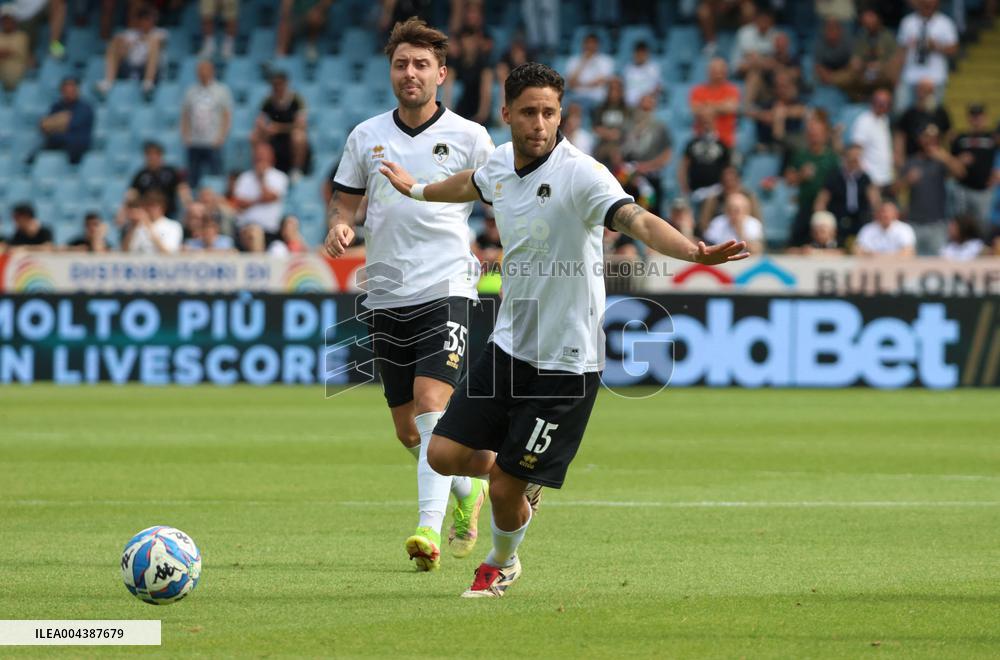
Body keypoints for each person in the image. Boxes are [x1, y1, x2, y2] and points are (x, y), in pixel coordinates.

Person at [378, 62, 747, 598]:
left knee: (504, 483)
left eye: (550, 112)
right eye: (528, 112)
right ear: (506, 114)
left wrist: (691, 249)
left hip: (568, 362)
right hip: (510, 345)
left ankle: (501, 562)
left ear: (561, 115)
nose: (540, 123)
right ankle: (522, 475)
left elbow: (635, 218)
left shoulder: (583, 174)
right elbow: (472, 184)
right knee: (441, 455)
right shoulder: (501, 163)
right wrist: (417, 190)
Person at [322, 18, 493, 572]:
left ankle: (426, 529)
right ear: (391, 72)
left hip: (447, 286)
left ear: (441, 74)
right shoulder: (365, 135)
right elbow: (346, 200)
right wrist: (341, 227)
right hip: (387, 293)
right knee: (408, 430)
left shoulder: (471, 137)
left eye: (422, 64)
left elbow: (504, 199)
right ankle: (468, 493)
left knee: (430, 403)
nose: (411, 73)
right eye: (402, 64)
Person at [902, 123, 966, 255]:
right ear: (920, 139)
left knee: (938, 262)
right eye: (927, 137)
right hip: (914, 222)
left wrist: (945, 156)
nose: (930, 141)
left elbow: (961, 173)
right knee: (912, 262)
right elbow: (894, 189)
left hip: (937, 223)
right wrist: (906, 180)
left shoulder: (941, 161)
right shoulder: (912, 161)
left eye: (934, 138)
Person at [786, 110, 840, 246]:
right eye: (811, 133)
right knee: (797, 240)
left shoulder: (832, 157)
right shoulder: (801, 155)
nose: (814, 136)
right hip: (805, 205)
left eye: (817, 133)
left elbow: (838, 181)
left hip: (828, 207)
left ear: (825, 135)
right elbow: (789, 180)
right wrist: (801, 176)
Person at [895, 0, 958, 113]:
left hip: (934, 76)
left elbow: (953, 49)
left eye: (930, 4)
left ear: (937, 4)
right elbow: (901, 50)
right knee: (902, 110)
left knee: (932, 112)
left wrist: (936, 47)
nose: (927, 6)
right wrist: (897, 75)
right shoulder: (907, 22)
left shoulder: (945, 23)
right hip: (911, 74)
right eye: (925, 3)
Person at [814, 143, 881, 243]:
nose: (855, 160)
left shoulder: (865, 178)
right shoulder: (835, 176)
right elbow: (822, 200)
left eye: (857, 157)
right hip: (837, 217)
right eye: (852, 158)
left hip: (860, 219)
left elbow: (875, 201)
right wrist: (821, 220)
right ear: (845, 158)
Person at [181, 60, 233, 188]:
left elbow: (226, 115)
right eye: (200, 70)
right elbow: (185, 114)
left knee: (216, 174)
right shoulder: (191, 91)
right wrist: (185, 135)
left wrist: (222, 136)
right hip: (195, 141)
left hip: (212, 141)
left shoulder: (221, 90)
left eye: (205, 69)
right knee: (193, 176)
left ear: (212, 71)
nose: (202, 73)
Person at [96, 7, 167, 96]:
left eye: (150, 19)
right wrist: (127, 45)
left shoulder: (160, 32)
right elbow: (119, 43)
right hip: (130, 67)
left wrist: (142, 39)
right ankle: (108, 81)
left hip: (150, 70)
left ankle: (148, 82)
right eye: (145, 19)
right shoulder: (131, 33)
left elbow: (161, 42)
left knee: (154, 43)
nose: (148, 22)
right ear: (139, 21)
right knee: (115, 43)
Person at [252, 71, 309, 179]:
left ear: (286, 84)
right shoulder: (268, 101)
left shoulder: (297, 100)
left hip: (289, 136)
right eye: (274, 85)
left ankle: (296, 169)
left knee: (299, 137)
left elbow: (301, 125)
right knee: (254, 136)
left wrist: (279, 128)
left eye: (279, 84)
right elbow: (259, 120)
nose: (277, 87)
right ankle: (259, 167)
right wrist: (264, 128)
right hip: (273, 137)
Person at [951, 104, 998, 230]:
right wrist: (959, 160)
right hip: (963, 189)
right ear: (969, 118)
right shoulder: (960, 139)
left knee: (982, 227)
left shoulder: (992, 138)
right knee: (962, 224)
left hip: (984, 190)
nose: (976, 119)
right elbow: (950, 164)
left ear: (985, 118)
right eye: (973, 116)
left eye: (979, 116)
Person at [233, 142, 289, 240]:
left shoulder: (280, 177)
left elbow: (270, 197)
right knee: (254, 232)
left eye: (263, 155)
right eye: (258, 155)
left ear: (271, 157)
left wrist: (261, 179)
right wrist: (259, 200)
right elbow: (238, 203)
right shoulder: (244, 177)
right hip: (245, 229)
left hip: (270, 231)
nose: (260, 158)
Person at [679, 107, 731, 208]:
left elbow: (727, 169)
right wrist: (684, 187)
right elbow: (683, 167)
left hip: (716, 191)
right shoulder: (692, 144)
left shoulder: (722, 145)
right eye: (703, 122)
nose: (706, 125)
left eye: (709, 121)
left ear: (714, 122)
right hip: (695, 191)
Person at [125, 141, 190, 220]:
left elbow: (182, 190)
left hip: (169, 213)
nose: (152, 157)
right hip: (147, 214)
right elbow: (131, 194)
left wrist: (187, 206)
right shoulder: (141, 175)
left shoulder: (171, 172)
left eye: (155, 154)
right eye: (149, 154)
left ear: (161, 155)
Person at [894, 78, 952, 162]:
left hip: (935, 161)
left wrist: (946, 157)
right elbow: (900, 137)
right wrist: (899, 158)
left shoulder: (940, 112)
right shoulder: (909, 113)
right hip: (913, 161)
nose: (923, 93)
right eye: (921, 89)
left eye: (927, 90)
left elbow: (948, 135)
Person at [443, 28, 493, 125]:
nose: (469, 45)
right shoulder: (455, 63)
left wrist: (481, 116)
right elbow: (448, 92)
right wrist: (446, 115)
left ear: (477, 42)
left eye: (472, 41)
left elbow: (485, 94)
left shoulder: (485, 64)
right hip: (460, 111)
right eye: (466, 41)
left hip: (477, 111)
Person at [847, 7, 899, 101]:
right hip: (864, 72)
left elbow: (895, 61)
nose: (868, 23)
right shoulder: (862, 36)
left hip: (882, 74)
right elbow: (855, 59)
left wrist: (881, 65)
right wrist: (860, 64)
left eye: (871, 18)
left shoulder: (888, 37)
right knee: (850, 76)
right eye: (865, 21)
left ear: (878, 20)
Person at [39, 76, 94, 164]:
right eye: (67, 89)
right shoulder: (57, 107)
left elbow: (72, 124)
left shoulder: (84, 108)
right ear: (62, 91)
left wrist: (55, 124)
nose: (69, 91)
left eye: (72, 88)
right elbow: (43, 125)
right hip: (56, 143)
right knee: (40, 154)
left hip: (77, 147)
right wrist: (62, 119)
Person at [850, 87, 894, 191]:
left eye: (886, 102)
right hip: (872, 182)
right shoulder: (864, 121)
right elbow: (855, 152)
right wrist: (866, 179)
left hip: (886, 179)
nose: (882, 105)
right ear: (872, 102)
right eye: (879, 102)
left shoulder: (884, 119)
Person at [690, 58, 740, 148]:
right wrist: (719, 107)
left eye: (721, 71)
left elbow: (731, 107)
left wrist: (708, 106)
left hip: (725, 141)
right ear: (708, 72)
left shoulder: (731, 90)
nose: (718, 74)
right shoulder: (698, 90)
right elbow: (695, 109)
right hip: (700, 140)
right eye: (714, 71)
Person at [565, 32, 614, 111]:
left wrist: (580, 84)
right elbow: (571, 83)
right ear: (583, 44)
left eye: (593, 43)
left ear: (598, 45)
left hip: (597, 98)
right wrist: (583, 62)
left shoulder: (606, 60)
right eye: (587, 43)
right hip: (576, 97)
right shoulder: (573, 60)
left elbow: (601, 82)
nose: (590, 46)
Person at [814, 17, 854, 92]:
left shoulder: (848, 42)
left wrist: (836, 76)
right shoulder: (819, 43)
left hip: (844, 73)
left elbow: (852, 63)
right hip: (827, 74)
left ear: (840, 30)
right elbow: (818, 65)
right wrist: (825, 75)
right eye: (828, 29)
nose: (830, 32)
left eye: (833, 29)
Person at [622, 41, 660, 108]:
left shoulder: (653, 69)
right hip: (629, 107)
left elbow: (656, 89)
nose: (640, 56)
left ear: (647, 54)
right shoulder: (627, 69)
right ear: (634, 54)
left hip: (647, 106)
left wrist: (645, 100)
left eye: (643, 53)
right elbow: (624, 89)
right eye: (638, 53)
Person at [0, 6, 29, 91]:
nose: (7, 22)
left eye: (10, 19)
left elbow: (6, 52)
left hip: (18, 84)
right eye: (4, 19)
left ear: (15, 21)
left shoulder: (22, 37)